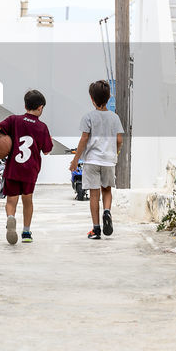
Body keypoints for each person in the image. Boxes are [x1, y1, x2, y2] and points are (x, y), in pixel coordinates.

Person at [0, 89, 53, 244]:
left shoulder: (14, 120)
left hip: (13, 169)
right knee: (28, 201)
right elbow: (46, 150)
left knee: (11, 201)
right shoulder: (42, 127)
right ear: (40, 108)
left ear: (25, 106)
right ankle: (26, 232)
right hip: (30, 171)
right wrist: (47, 140)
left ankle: (10, 218)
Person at [68, 80, 124, 240]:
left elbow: (84, 139)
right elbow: (119, 140)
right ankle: (107, 211)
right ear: (109, 98)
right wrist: (116, 153)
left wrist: (75, 160)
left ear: (92, 98)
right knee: (107, 190)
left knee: (94, 195)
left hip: (92, 160)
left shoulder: (88, 117)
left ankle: (96, 229)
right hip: (108, 160)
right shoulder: (114, 118)